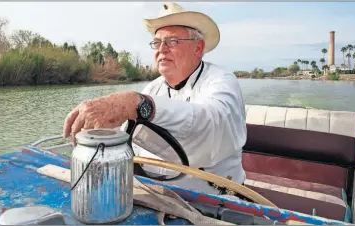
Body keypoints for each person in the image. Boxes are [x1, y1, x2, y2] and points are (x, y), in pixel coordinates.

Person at [63, 2, 247, 195]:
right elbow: (132, 139)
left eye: (173, 41)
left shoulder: (222, 81)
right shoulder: (153, 87)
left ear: (198, 48)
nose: (162, 49)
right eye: (157, 43)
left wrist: (138, 104)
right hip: (156, 195)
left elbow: (211, 125)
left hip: (218, 202)